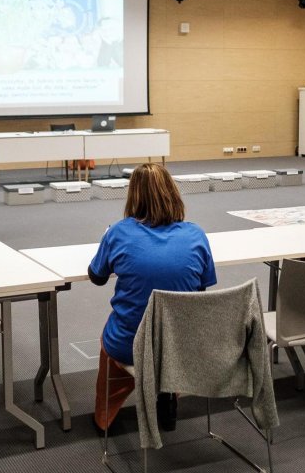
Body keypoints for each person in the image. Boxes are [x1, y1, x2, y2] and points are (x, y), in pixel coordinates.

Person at [89, 163, 217, 432]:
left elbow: (97, 276)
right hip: (180, 346)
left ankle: (104, 416)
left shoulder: (118, 233)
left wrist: (109, 241)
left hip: (130, 346)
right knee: (168, 321)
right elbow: (199, 292)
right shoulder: (196, 235)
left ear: (133, 196)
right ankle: (165, 393)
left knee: (111, 334)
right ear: (173, 192)